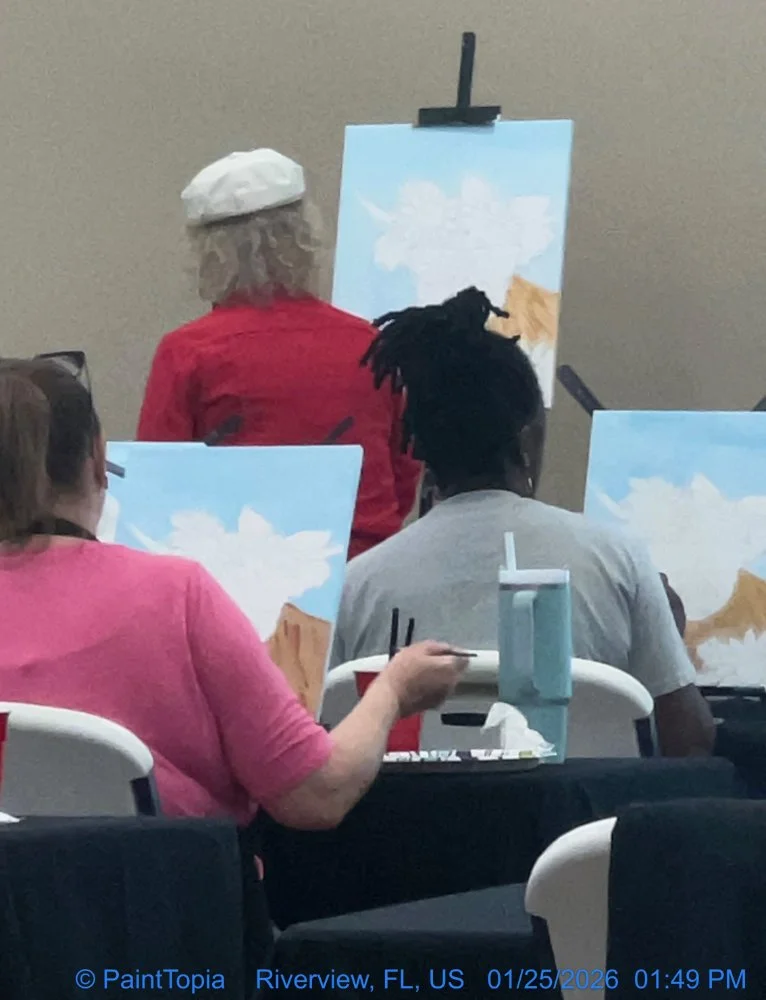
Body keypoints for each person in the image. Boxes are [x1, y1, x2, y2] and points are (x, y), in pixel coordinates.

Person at [0, 359, 466, 828]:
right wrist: (394, 689)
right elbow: (317, 795)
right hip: (162, 896)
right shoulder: (176, 596)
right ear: (99, 462)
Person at [331, 287, 715, 757]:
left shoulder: (356, 585)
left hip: (413, 829)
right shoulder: (618, 561)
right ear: (529, 437)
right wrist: (668, 643)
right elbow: (690, 746)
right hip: (579, 828)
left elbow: (330, 744)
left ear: (419, 444)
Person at [137, 148, 420, 559]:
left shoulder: (189, 352)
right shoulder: (372, 343)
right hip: (365, 570)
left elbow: (157, 486)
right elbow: (404, 471)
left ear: (208, 253)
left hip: (237, 577)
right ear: (306, 237)